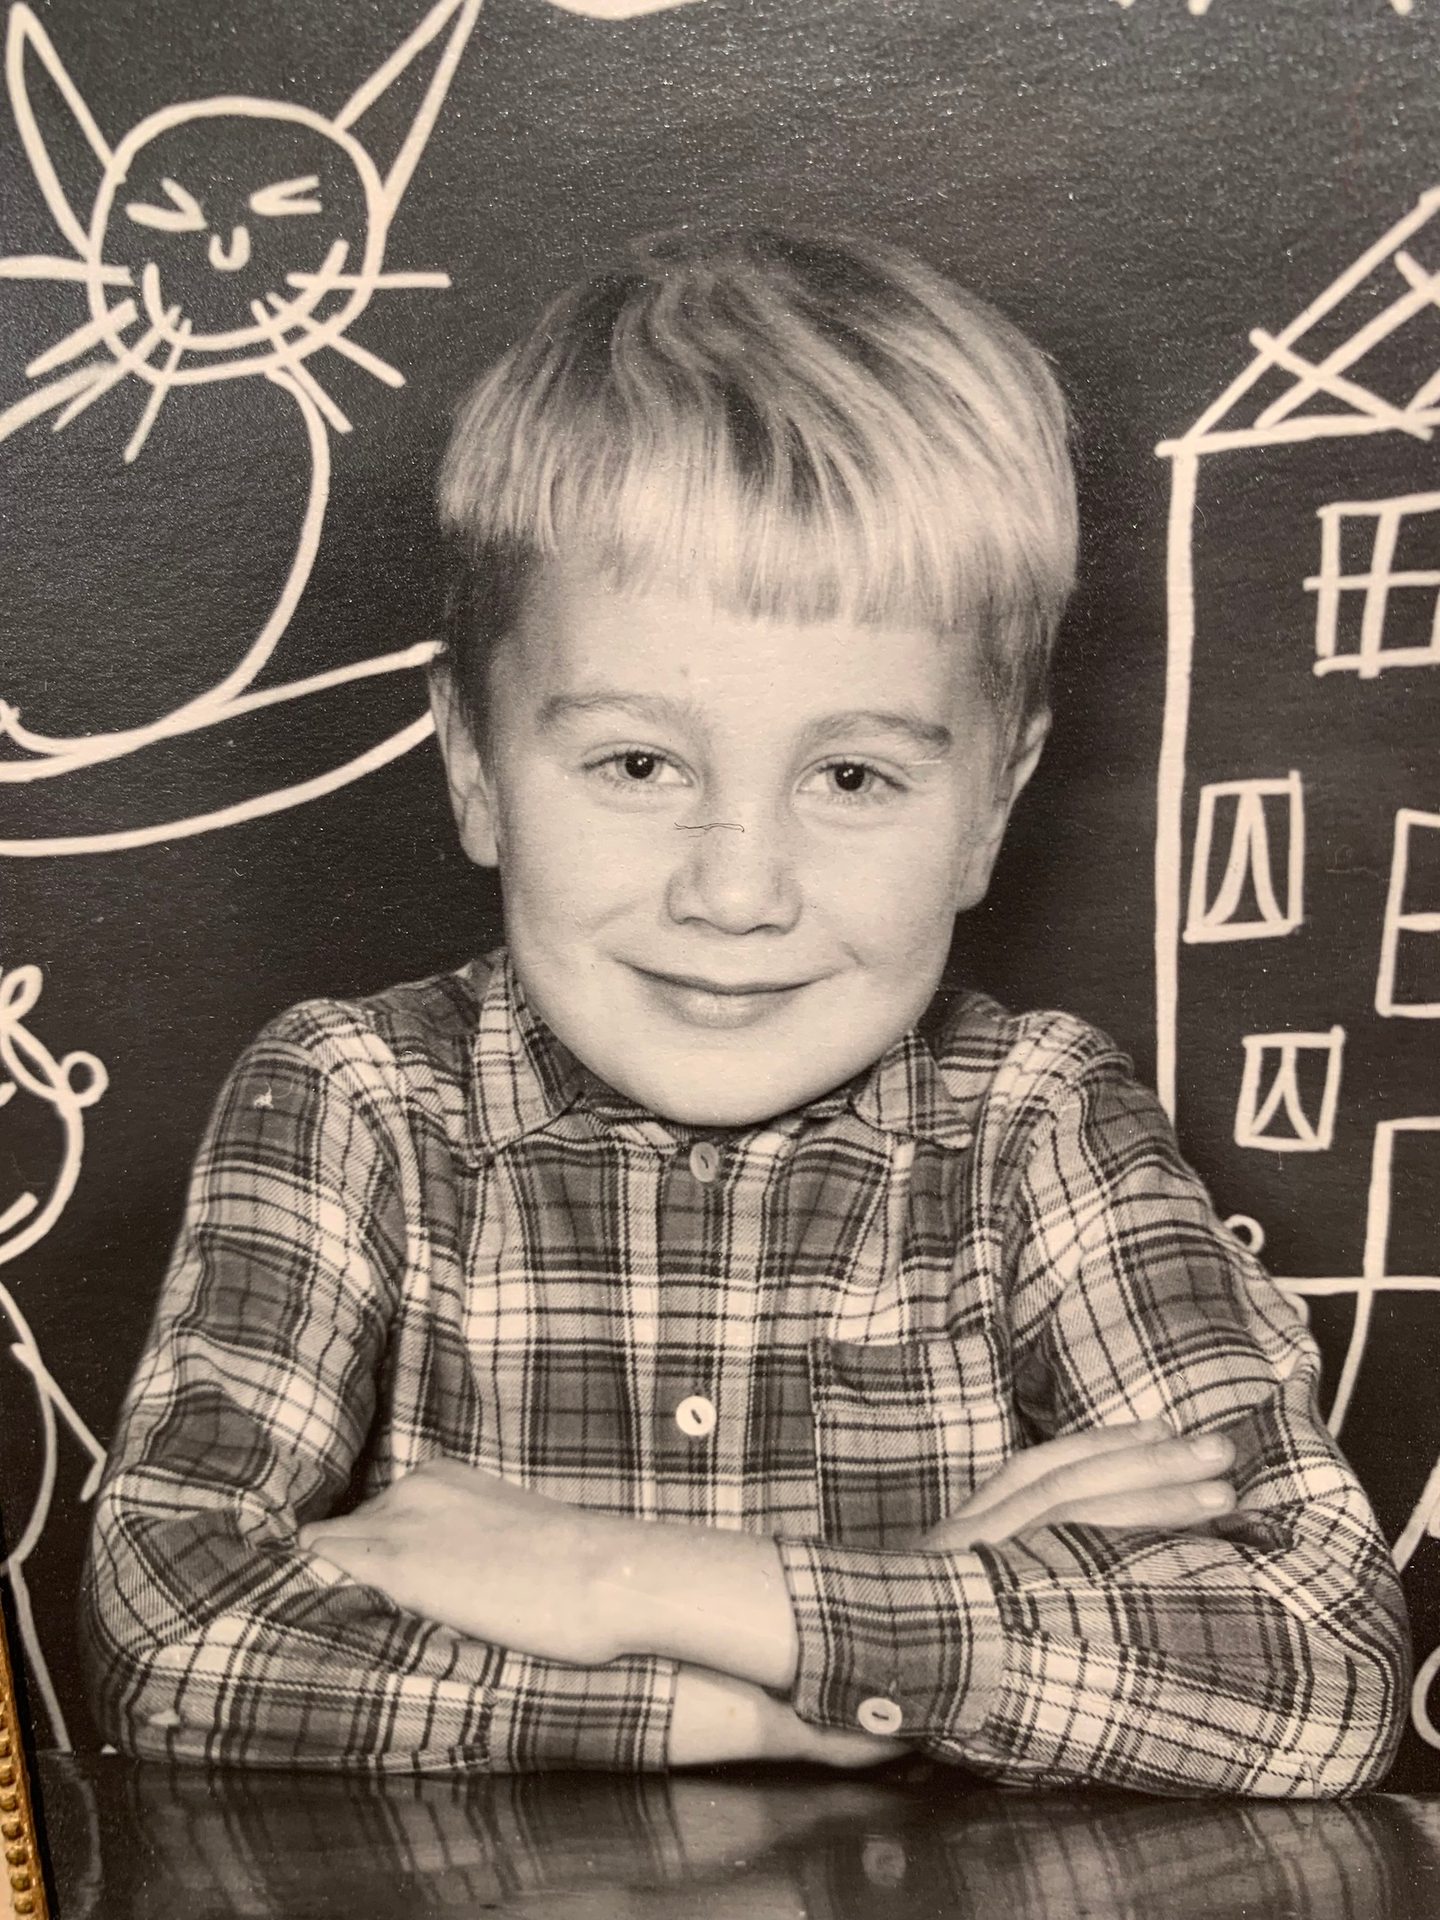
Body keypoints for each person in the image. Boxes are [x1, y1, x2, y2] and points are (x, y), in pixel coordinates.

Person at [80, 229, 1410, 1793]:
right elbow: (173, 1631)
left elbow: (1317, 1670)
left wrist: (614, 1580)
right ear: (471, 767)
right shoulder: (354, 1098)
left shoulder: (1038, 1119)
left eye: (853, 777)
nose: (735, 891)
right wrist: (819, 1691)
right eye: (639, 764)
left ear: (991, 806)